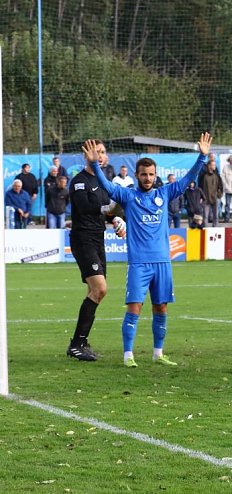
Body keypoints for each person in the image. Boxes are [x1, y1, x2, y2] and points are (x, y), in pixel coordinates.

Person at [81, 132, 211, 368]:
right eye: (144, 174)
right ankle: (128, 355)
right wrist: (93, 164)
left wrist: (202, 157)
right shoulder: (128, 196)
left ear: (155, 175)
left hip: (163, 262)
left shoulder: (164, 193)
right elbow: (106, 185)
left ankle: (158, 353)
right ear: (137, 176)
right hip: (139, 264)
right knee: (135, 307)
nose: (148, 178)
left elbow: (188, 179)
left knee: (161, 307)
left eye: (151, 174)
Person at [66, 139, 127, 361]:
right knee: (100, 289)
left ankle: (80, 342)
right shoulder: (79, 181)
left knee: (96, 292)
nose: (99, 155)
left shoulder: (104, 183)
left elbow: (108, 212)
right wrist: (112, 208)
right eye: (95, 152)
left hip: (98, 240)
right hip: (83, 240)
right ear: (86, 155)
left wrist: (118, 220)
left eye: (102, 152)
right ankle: (76, 344)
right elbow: (85, 207)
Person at [198, 159, 223, 227]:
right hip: (205, 198)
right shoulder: (203, 175)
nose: (214, 166)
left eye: (215, 165)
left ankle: (215, 229)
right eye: (213, 165)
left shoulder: (217, 175)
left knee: (216, 216)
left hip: (215, 198)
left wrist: (219, 195)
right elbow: (199, 187)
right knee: (205, 216)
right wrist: (201, 197)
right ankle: (205, 230)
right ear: (209, 166)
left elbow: (220, 186)